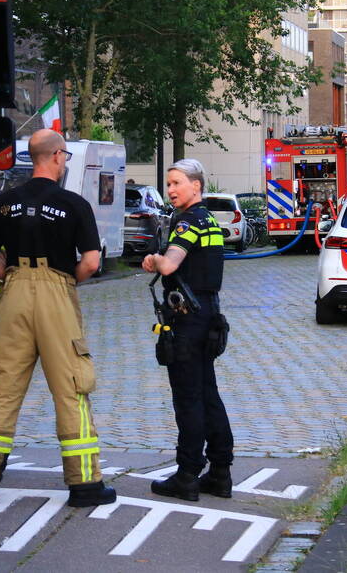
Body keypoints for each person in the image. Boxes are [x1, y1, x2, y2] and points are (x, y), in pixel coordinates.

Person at [0, 129, 116, 508]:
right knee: (71, 387)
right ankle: (84, 485)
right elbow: (92, 262)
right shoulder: (74, 204)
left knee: (1, 389)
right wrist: (64, 283)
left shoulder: (4, 203)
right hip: (56, 296)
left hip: (13, 294)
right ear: (59, 156)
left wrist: (13, 278)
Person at [142, 159, 234, 501]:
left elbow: (169, 264)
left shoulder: (188, 222)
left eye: (177, 183)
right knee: (208, 393)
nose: (171, 190)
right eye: (169, 184)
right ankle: (220, 472)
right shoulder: (209, 220)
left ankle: (187, 475)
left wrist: (153, 259)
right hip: (208, 313)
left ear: (196, 185)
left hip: (187, 318)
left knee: (188, 398)